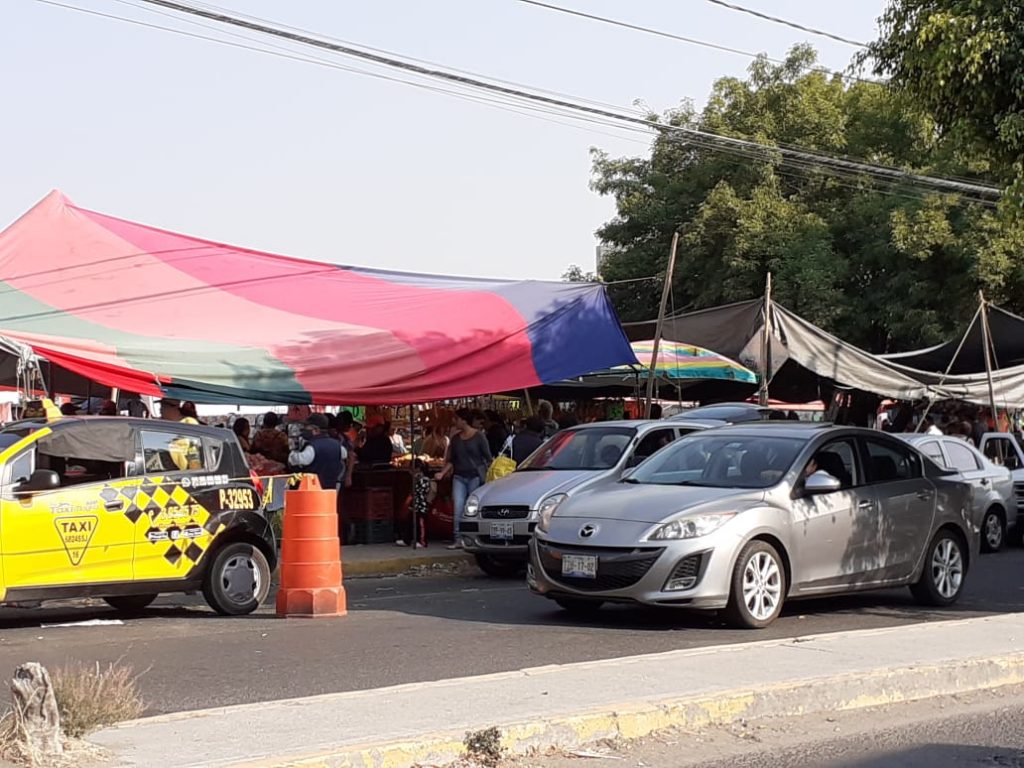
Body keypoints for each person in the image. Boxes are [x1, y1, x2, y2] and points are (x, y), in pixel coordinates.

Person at [436, 408, 492, 548]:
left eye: (456, 419)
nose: (454, 422)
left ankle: (471, 537)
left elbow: (488, 458)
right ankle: (458, 539)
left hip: (475, 477)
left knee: (471, 508)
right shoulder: (455, 439)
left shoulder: (479, 437)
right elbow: (452, 460)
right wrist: (442, 473)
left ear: (463, 420)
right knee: (458, 507)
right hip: (459, 477)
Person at [288, 413, 345, 491]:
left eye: (306, 427)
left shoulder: (312, 447)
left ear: (316, 430)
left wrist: (293, 449)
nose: (304, 429)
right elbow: (344, 460)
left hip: (310, 491)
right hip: (330, 490)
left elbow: (294, 461)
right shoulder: (338, 446)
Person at [397, 459, 435, 548]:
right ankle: (407, 540)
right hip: (415, 506)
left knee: (420, 524)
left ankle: (422, 541)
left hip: (421, 506)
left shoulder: (424, 480)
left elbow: (419, 494)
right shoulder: (417, 480)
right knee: (410, 523)